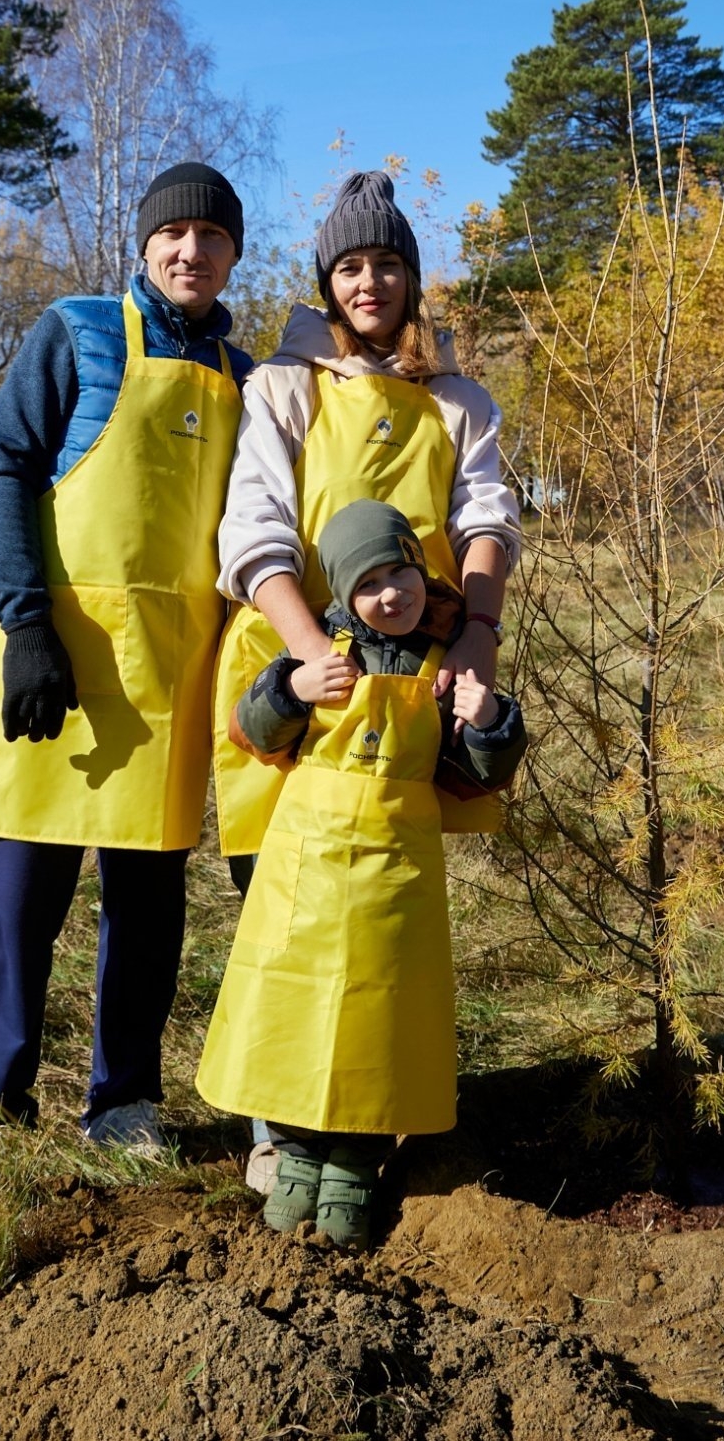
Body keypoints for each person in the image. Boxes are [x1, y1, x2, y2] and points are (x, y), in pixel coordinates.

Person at [209, 168, 523, 1188]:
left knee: (386, 898)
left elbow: (487, 521)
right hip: (297, 662)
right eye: (350, 265)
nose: (370, 282)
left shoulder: (459, 401)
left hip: (415, 673)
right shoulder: (283, 385)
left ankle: (371, 1113)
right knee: (280, 897)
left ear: (413, 276)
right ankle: (280, 1124)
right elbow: (254, 528)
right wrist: (309, 653)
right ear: (326, 279)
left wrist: (476, 633)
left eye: (388, 263)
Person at [0, 162, 252, 1173]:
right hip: (58, 661)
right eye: (174, 235)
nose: (190, 252)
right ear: (146, 242)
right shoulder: (75, 330)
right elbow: (2, 469)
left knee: (149, 907)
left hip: (174, 676)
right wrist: (26, 623)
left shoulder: (245, 377)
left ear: (232, 253)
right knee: (22, 894)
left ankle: (124, 1103)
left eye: (211, 238)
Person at [196, 499, 526, 1247]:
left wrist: (491, 724)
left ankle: (355, 1164)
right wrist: (290, 691)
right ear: (343, 595)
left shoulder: (445, 671)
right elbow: (251, 732)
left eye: (402, 572)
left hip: (395, 879)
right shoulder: (319, 657)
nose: (392, 593)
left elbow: (474, 780)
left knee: (382, 1018)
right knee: (294, 1012)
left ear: (422, 571)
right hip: (303, 872)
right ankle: (299, 1157)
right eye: (370, 581)